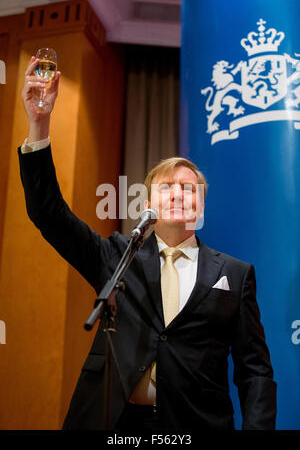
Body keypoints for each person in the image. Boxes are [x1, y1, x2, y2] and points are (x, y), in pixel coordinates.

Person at [18, 57, 277, 431]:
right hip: (114, 422)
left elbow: (254, 372)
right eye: (166, 187)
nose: (176, 194)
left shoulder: (235, 275)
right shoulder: (117, 256)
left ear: (201, 206)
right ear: (148, 203)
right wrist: (39, 123)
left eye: (188, 189)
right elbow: (48, 213)